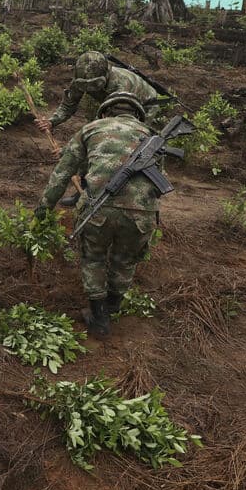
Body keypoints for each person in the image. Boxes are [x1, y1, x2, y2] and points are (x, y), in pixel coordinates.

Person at [36, 92, 163, 339]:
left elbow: (62, 174)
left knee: (93, 257)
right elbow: (159, 184)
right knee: (125, 259)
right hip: (141, 213)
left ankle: (99, 317)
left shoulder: (90, 129)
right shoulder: (152, 136)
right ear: (137, 114)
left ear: (105, 111)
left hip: (97, 209)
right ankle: (113, 305)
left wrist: (42, 211)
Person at [34, 51, 159, 140]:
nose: (89, 89)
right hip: (109, 100)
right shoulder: (80, 80)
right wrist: (51, 122)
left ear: (106, 75)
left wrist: (73, 147)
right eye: (84, 86)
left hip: (145, 103)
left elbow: (109, 122)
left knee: (133, 138)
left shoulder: (121, 85)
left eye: (95, 84)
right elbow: (67, 106)